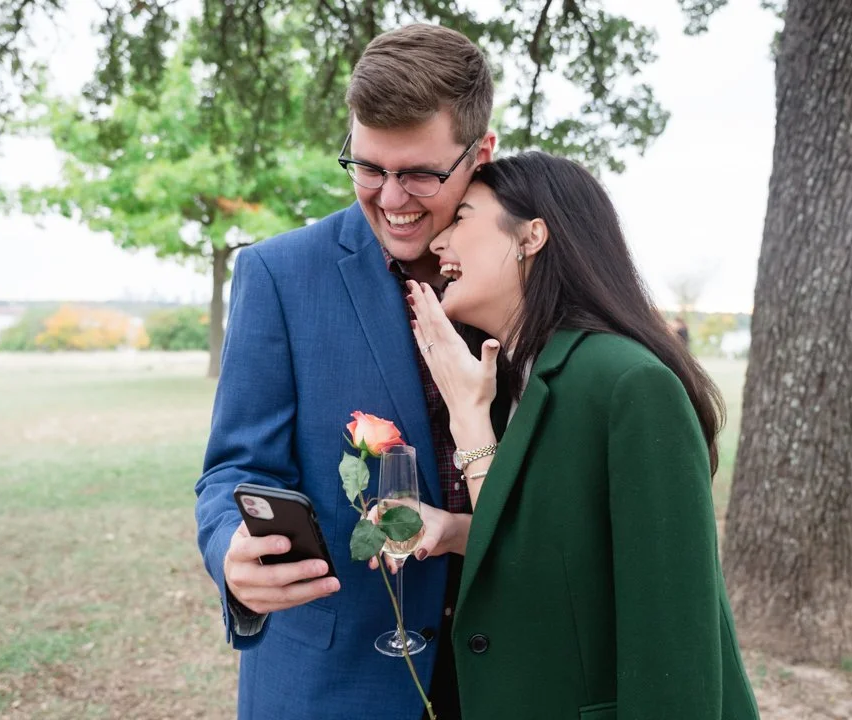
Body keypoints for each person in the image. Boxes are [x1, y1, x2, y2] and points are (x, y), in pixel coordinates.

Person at [194, 24, 498, 720]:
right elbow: (233, 469)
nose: (391, 198)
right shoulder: (278, 274)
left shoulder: (531, 271)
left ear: (480, 153)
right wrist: (229, 551)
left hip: (508, 672)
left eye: (420, 172)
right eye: (367, 167)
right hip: (332, 682)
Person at [405, 152, 762, 719]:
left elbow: (675, 639)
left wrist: (468, 420)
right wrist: (452, 531)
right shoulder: (509, 379)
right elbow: (552, 559)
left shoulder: (629, 384)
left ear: (531, 236)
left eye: (462, 218)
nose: (438, 243)